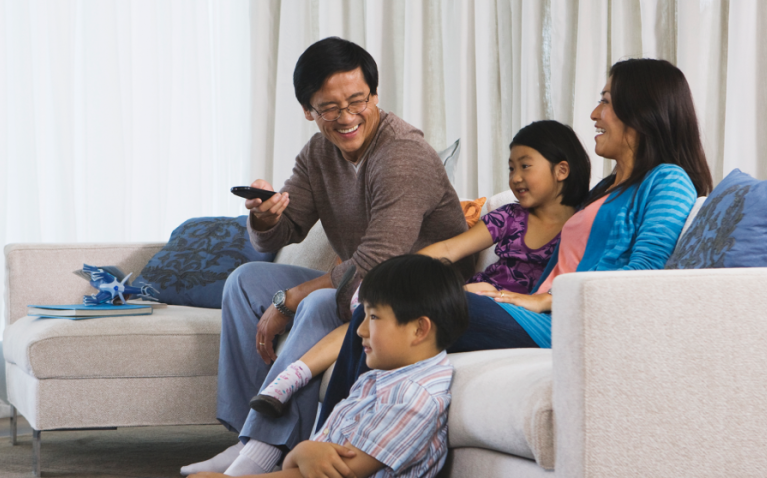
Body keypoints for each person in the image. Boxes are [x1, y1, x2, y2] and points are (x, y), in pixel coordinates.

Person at [316, 57, 715, 431]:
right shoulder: (604, 190)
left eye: (606, 101)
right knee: (376, 315)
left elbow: (642, 276)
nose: (595, 114)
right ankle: (328, 447)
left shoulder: (668, 179)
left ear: (641, 110)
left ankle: (326, 451)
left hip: (565, 325)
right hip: (542, 316)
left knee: (399, 307)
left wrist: (538, 299)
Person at [182, 37, 476, 476]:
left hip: (415, 292)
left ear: (374, 95)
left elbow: (379, 261)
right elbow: (278, 235)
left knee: (317, 301)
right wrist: (265, 216)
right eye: (330, 108)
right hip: (365, 289)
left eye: (357, 100)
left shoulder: (403, 154)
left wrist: (292, 298)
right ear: (309, 111)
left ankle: (261, 453)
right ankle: (248, 435)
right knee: (245, 280)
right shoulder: (318, 154)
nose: (347, 117)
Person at [248, 120, 591, 417]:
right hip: (471, 294)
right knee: (376, 310)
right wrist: (396, 276)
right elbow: (449, 249)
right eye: (511, 167)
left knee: (394, 317)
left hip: (510, 309)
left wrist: (497, 296)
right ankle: (295, 378)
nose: (515, 178)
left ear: (561, 170)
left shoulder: (583, 225)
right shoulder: (510, 216)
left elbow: (566, 286)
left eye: (525, 166)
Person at [193, 254, 468, 478]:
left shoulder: (412, 398)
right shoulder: (385, 378)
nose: (359, 330)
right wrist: (301, 455)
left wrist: (300, 453)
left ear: (419, 329)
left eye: (373, 317)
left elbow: (340, 472)